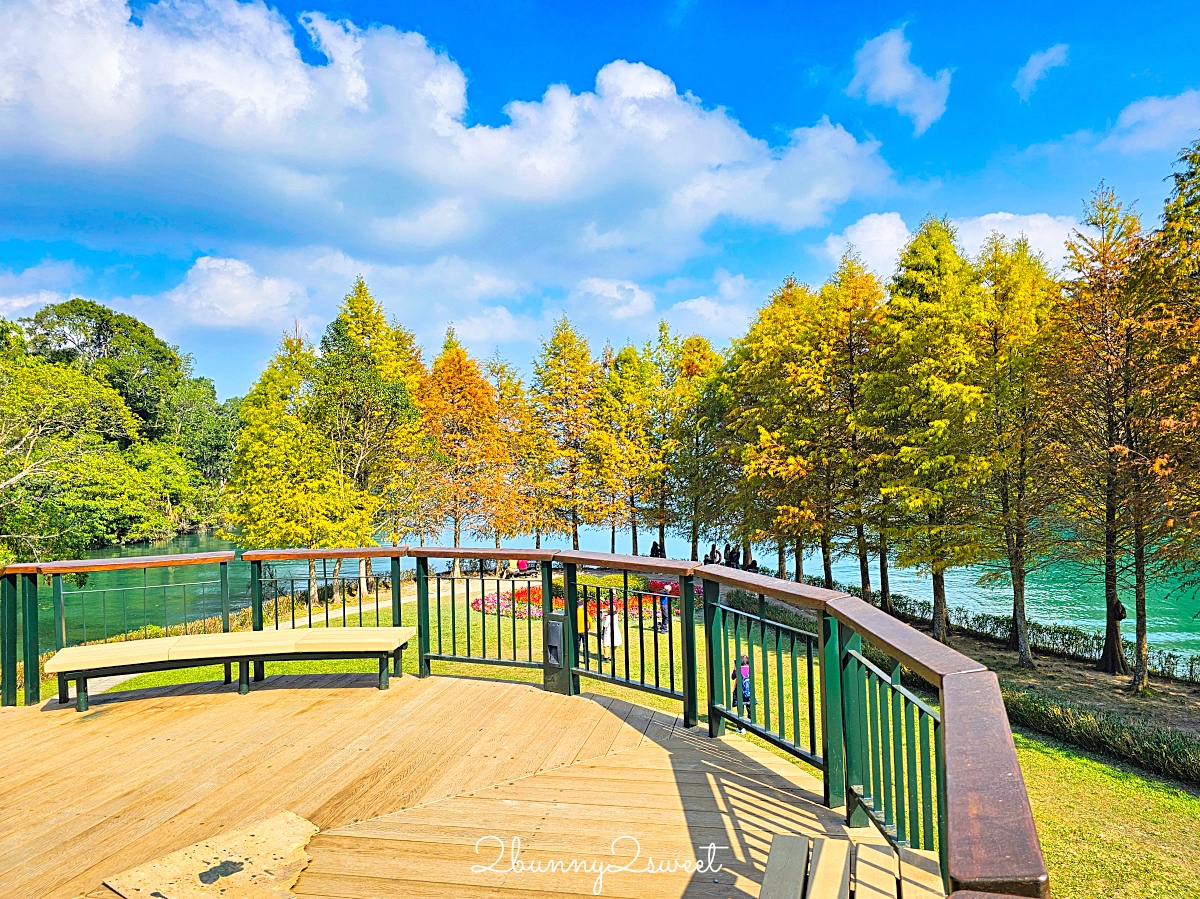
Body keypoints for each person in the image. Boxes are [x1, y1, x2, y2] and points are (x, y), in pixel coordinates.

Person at [731, 654, 751, 733]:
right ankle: (750, 724)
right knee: (750, 709)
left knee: (741, 710)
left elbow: (732, 677)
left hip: (739, 691)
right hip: (749, 691)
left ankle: (741, 728)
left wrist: (735, 668)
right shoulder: (750, 668)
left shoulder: (738, 669)